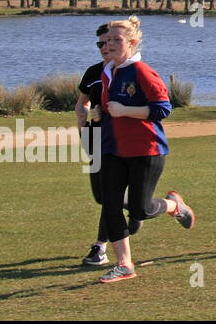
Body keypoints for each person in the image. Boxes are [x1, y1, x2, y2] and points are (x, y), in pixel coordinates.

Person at [93, 17, 194, 284]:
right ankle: (124, 264)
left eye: (117, 40)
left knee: (139, 210)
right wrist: (99, 113)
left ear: (132, 43)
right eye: (107, 39)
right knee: (110, 205)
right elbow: (109, 109)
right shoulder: (107, 72)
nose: (110, 44)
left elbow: (163, 109)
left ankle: (174, 206)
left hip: (145, 151)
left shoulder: (142, 72)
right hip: (113, 150)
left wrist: (126, 110)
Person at [74, 23, 141, 267]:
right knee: (101, 196)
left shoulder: (131, 71)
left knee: (110, 198)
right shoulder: (93, 73)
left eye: (110, 42)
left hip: (126, 142)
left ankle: (100, 248)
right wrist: (84, 126)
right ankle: (138, 207)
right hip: (96, 139)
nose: (105, 47)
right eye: (101, 43)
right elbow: (82, 103)